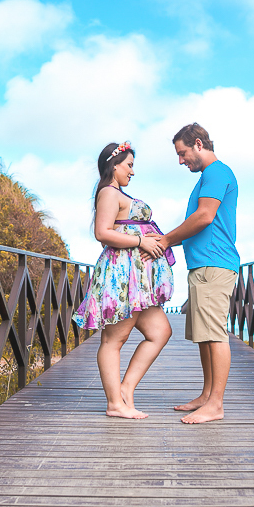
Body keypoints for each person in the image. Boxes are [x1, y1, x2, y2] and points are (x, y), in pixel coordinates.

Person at [74, 141, 174, 419]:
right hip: (121, 277)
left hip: (138, 282)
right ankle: (114, 404)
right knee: (113, 341)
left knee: (160, 333)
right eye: (129, 165)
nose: (132, 172)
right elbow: (102, 232)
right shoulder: (108, 192)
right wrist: (141, 240)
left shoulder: (117, 193)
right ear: (114, 165)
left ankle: (125, 390)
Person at [149, 123, 239, 424]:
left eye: (183, 153)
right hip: (203, 266)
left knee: (214, 336)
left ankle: (216, 405)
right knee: (204, 336)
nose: (180, 160)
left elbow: (205, 216)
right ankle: (206, 395)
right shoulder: (207, 177)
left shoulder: (216, 172)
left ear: (198, 144)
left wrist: (165, 240)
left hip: (215, 264)